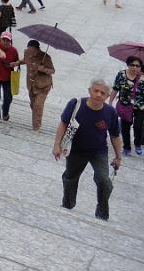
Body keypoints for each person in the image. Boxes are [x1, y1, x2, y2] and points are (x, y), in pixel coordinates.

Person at [53, 79, 122, 221]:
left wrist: (118, 157)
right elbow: (63, 124)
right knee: (70, 177)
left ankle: (102, 213)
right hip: (76, 149)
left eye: (103, 93)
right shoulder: (76, 104)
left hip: (98, 151)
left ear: (107, 96)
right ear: (89, 90)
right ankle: (68, 204)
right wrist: (57, 145)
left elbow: (115, 136)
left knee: (104, 180)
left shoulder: (110, 112)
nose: (98, 94)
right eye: (96, 91)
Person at [109, 58, 144, 155]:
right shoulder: (121, 75)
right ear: (128, 65)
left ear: (141, 67)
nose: (134, 67)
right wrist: (110, 102)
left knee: (138, 126)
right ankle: (127, 147)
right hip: (125, 106)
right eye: (132, 65)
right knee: (125, 128)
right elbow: (115, 88)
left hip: (140, 106)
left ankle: (137, 143)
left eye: (137, 66)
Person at [21, 39, 55, 131]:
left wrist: (43, 69)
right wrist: (16, 63)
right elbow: (25, 60)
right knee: (33, 105)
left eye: (32, 50)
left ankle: (36, 127)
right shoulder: (27, 52)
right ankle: (37, 116)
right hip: (32, 85)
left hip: (43, 86)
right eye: (28, 49)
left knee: (38, 105)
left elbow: (52, 70)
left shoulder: (46, 57)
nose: (30, 52)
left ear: (37, 49)